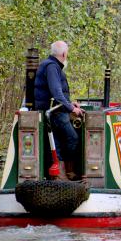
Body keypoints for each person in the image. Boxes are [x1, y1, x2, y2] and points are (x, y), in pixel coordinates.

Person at [34, 41, 84, 180]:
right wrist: (71, 108)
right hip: (55, 113)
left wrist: (69, 103)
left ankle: (62, 175)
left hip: (54, 110)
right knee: (72, 138)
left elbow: (55, 93)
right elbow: (56, 93)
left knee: (57, 143)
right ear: (64, 53)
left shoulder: (51, 66)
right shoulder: (52, 67)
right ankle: (66, 174)